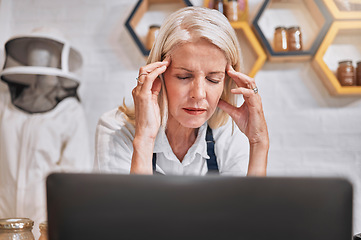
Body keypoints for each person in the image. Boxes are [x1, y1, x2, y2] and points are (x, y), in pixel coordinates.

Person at [95, 6, 269, 176]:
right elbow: (126, 206)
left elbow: (247, 205)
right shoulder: (115, 129)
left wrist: (259, 142)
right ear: (159, 76)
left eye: (213, 79)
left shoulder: (228, 134)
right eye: (184, 77)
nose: (199, 94)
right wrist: (144, 139)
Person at [0, 28, 93, 239]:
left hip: (46, 222)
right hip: (3, 219)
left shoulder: (70, 112)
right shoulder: (4, 106)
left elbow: (75, 174)